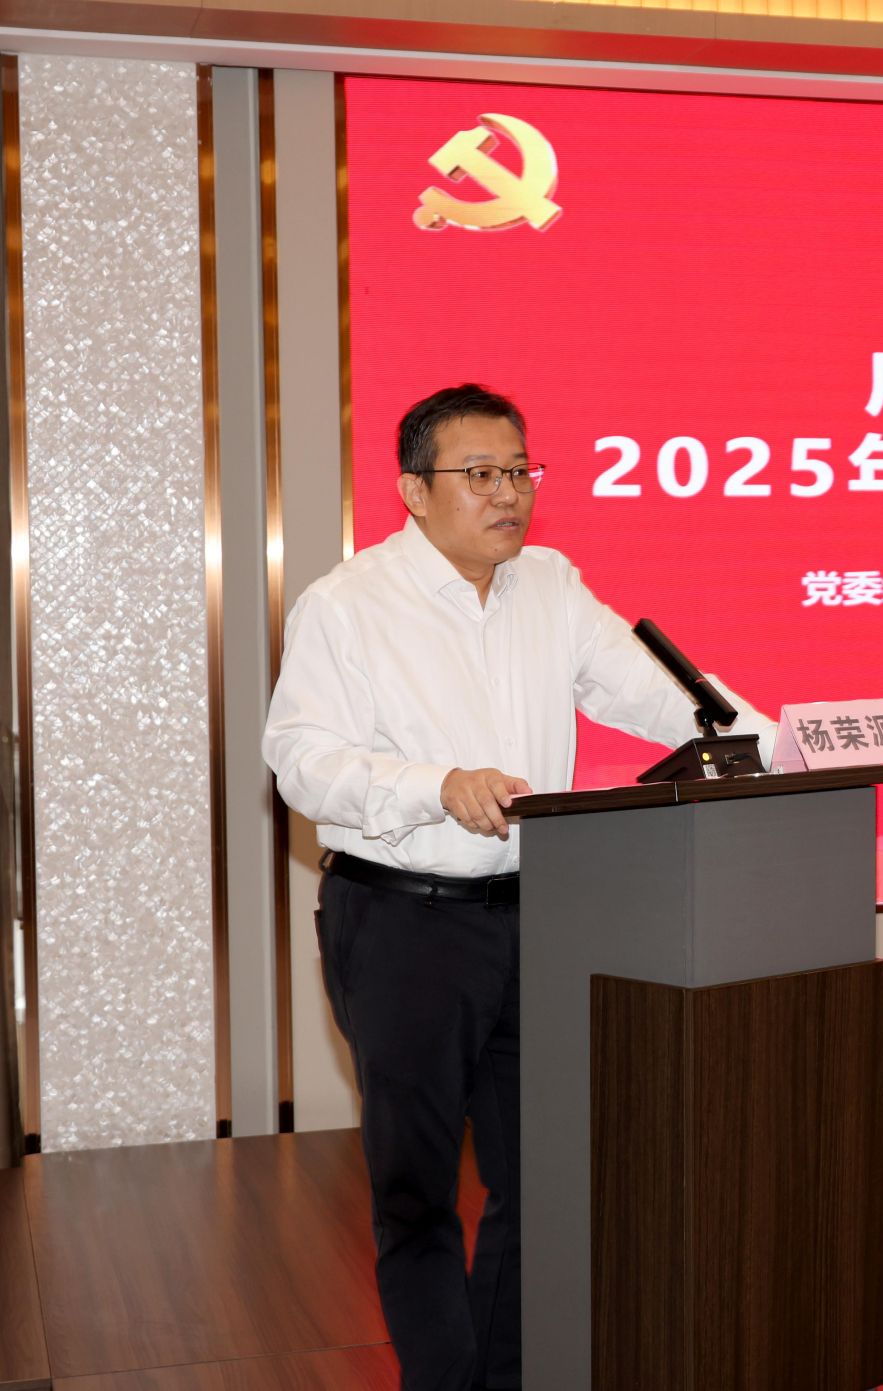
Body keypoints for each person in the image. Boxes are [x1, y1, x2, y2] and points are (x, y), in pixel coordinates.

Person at [262, 383, 776, 1391]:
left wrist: (779, 743)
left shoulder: (550, 585)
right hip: (401, 922)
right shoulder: (348, 604)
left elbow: (660, 696)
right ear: (413, 490)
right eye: (481, 473)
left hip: (536, 919)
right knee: (416, 1192)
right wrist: (433, 785)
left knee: (545, 1179)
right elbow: (301, 761)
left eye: (520, 470)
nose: (509, 493)